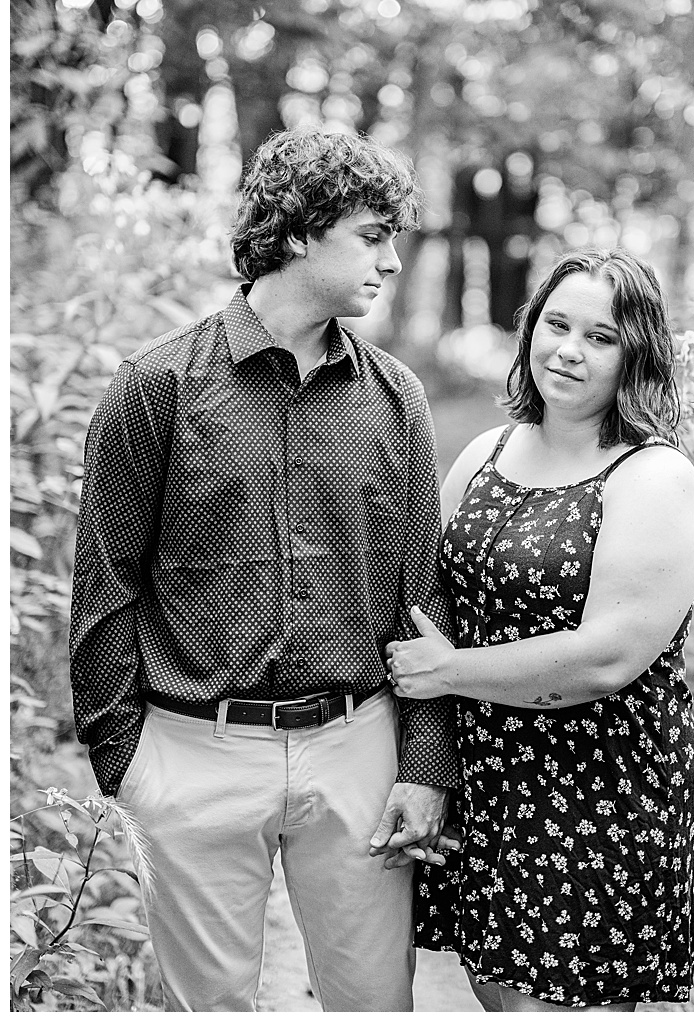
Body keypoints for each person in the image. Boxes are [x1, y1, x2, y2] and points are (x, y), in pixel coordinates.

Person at [69, 129, 455, 1011]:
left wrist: (425, 766)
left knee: (374, 1007)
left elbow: (423, 593)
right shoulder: (157, 385)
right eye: (371, 235)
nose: (391, 262)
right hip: (190, 753)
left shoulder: (396, 396)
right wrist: (126, 764)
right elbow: (104, 584)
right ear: (296, 232)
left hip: (359, 747)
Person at [387, 248, 694, 1011]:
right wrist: (426, 764)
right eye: (556, 324)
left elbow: (608, 656)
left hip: (603, 796)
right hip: (493, 786)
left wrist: (449, 671)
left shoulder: (652, 477)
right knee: (498, 993)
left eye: (600, 336)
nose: (568, 348)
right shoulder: (484, 455)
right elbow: (430, 604)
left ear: (637, 353)